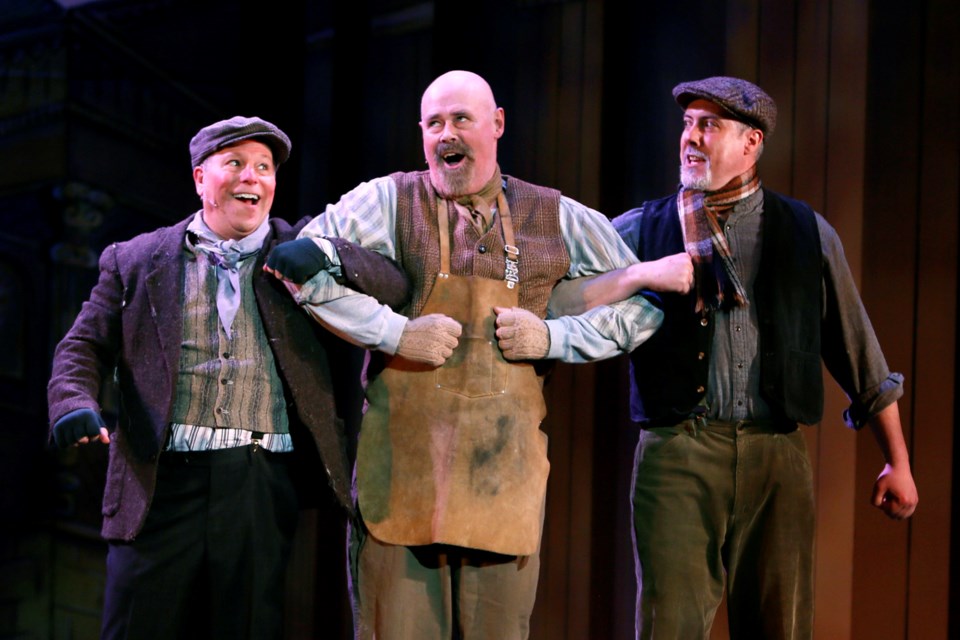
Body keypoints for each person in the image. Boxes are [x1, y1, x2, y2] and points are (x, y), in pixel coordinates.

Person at [263, 70, 665, 639]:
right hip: (401, 479)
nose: (445, 133)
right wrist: (394, 333)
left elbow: (643, 302)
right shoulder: (388, 200)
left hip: (502, 482)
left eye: (461, 119)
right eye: (434, 123)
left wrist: (553, 338)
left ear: (496, 124)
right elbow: (297, 266)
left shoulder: (555, 216)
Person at [549, 76, 919, 639]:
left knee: (781, 625)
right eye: (687, 124)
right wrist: (643, 273)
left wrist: (899, 461)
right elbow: (561, 299)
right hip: (678, 452)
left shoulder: (806, 233)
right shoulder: (639, 230)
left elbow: (858, 351)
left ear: (751, 142)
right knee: (668, 626)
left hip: (776, 455)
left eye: (709, 125)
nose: (691, 138)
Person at [46, 115, 409, 640]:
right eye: (235, 163)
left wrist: (328, 254)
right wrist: (72, 401)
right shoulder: (137, 258)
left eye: (263, 167)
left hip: (257, 482)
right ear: (200, 179)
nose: (251, 177)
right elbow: (82, 345)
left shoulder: (301, 245)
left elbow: (394, 284)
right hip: (160, 483)